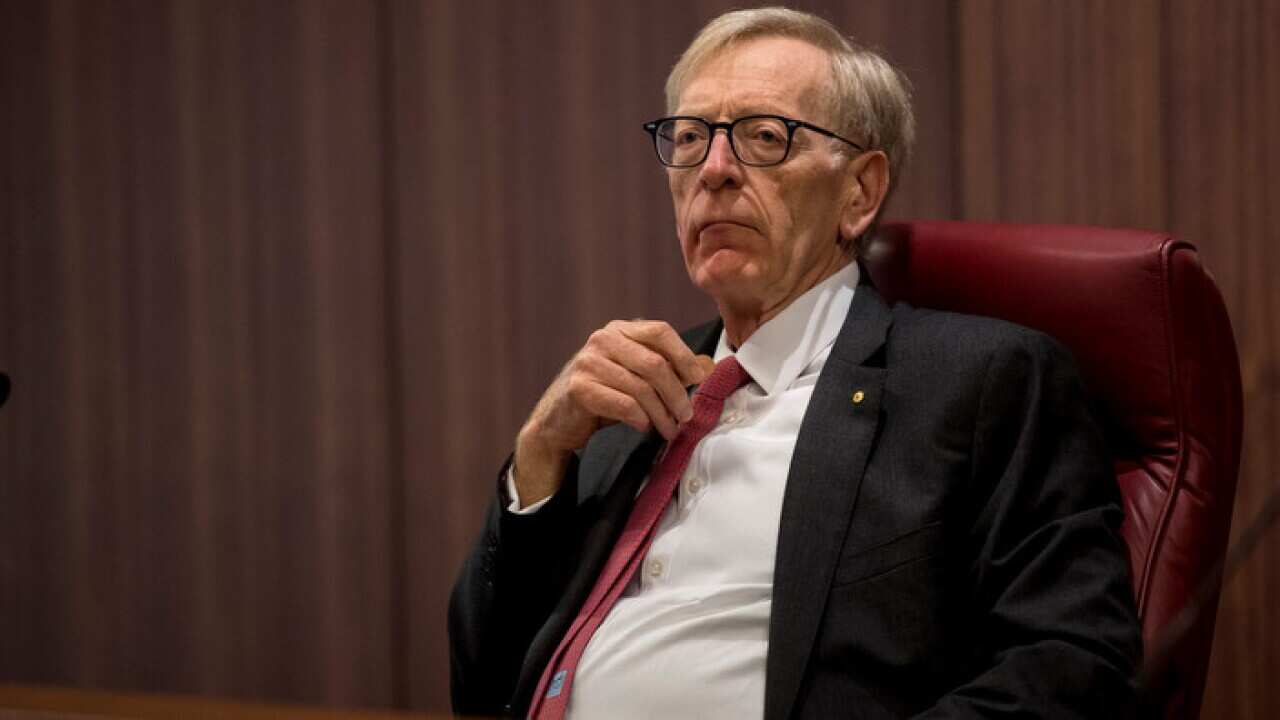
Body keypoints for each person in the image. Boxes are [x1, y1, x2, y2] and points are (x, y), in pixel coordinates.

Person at [449, 7, 1141, 719]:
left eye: (763, 138)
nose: (713, 171)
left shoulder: (981, 381)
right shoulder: (630, 399)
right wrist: (538, 458)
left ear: (860, 192)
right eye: (689, 139)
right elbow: (481, 684)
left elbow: (1072, 666)